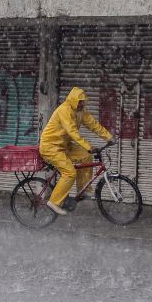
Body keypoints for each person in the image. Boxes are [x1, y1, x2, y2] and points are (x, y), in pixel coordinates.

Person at [39, 87, 114, 216]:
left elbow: (93, 124)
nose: (82, 103)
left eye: (83, 101)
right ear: (73, 100)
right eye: (80, 101)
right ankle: (54, 202)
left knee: (86, 156)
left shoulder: (80, 112)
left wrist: (109, 137)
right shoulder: (64, 110)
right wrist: (89, 146)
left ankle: (83, 190)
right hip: (50, 147)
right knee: (70, 172)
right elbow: (72, 132)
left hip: (64, 146)